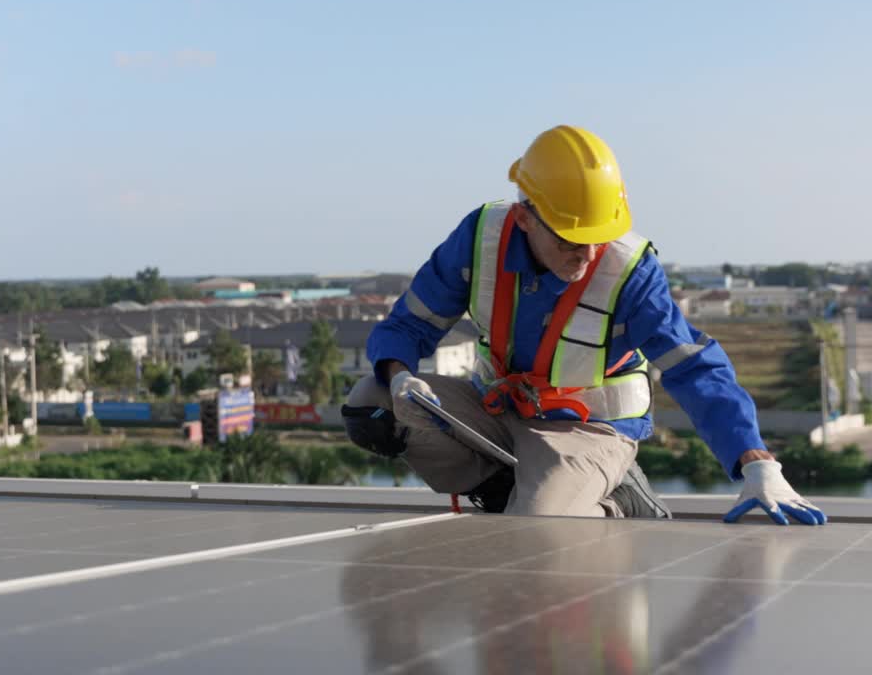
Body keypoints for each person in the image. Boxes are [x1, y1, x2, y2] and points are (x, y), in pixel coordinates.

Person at [346, 125, 825, 525]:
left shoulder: (630, 270)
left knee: (539, 529)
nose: (588, 254)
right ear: (525, 218)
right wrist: (400, 374)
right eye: (572, 239)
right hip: (499, 412)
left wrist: (755, 461)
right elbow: (408, 326)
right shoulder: (480, 240)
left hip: (589, 428)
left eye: (599, 237)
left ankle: (608, 503)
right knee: (372, 403)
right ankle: (514, 485)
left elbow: (691, 367)